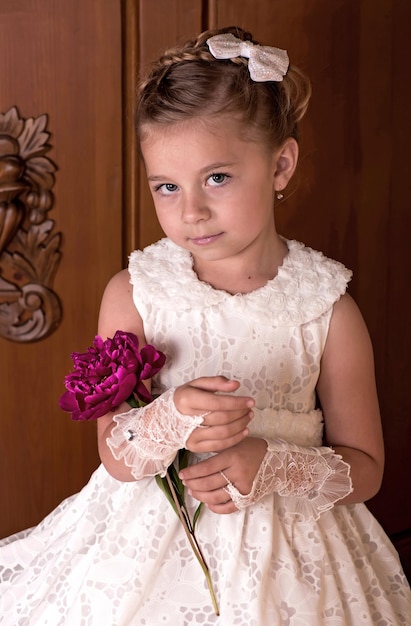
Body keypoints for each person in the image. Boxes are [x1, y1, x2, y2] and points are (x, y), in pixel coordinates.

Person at [0, 25, 410, 626]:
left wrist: (270, 464)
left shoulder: (327, 308)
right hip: (147, 543)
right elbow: (116, 455)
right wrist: (171, 416)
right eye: (167, 187)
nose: (190, 210)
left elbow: (366, 468)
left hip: (290, 559)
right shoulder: (136, 294)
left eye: (217, 178)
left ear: (280, 165)